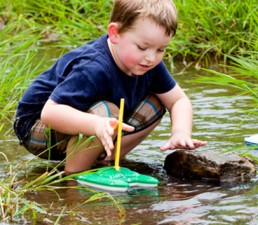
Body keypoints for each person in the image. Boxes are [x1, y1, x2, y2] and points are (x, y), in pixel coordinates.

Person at [13, 0, 208, 175]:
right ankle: (74, 178)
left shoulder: (150, 65)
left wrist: (180, 132)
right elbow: (50, 112)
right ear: (115, 34)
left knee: (157, 102)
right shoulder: (93, 67)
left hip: (85, 120)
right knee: (106, 112)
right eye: (142, 47)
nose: (151, 58)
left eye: (160, 50)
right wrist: (96, 125)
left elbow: (178, 100)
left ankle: (106, 158)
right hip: (36, 127)